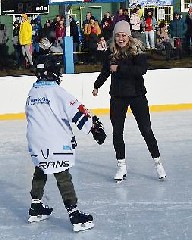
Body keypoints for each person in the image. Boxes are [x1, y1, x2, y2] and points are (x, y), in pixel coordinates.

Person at [25, 55, 106, 232]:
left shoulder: (33, 92)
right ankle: (74, 215)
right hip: (52, 141)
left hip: (35, 140)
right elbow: (76, 110)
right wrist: (93, 128)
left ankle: (36, 206)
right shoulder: (56, 91)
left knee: (41, 169)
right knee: (63, 175)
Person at [92, 20, 166, 182]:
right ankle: (121, 166)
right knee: (117, 132)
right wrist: (97, 86)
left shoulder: (137, 52)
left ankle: (158, 162)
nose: (120, 39)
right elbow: (105, 72)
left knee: (146, 130)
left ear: (129, 36)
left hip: (137, 95)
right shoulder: (110, 53)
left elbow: (141, 70)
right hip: (118, 97)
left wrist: (119, 68)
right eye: (118, 35)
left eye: (123, 35)